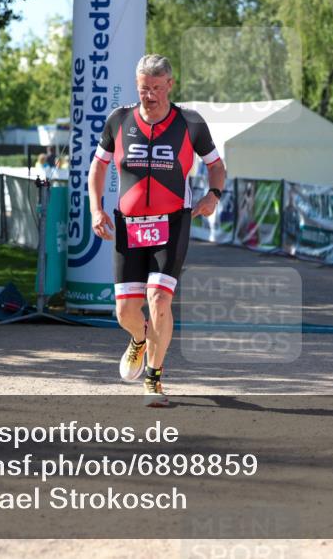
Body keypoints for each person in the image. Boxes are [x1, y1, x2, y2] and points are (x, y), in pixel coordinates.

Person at [88, 54, 226, 407]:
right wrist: (96, 209)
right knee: (125, 313)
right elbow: (97, 169)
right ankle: (140, 338)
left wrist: (213, 195)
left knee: (159, 299)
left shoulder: (190, 123)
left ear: (170, 85)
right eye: (143, 88)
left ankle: (154, 378)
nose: (148, 95)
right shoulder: (119, 120)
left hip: (172, 221)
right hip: (127, 224)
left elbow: (217, 167)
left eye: (155, 88)